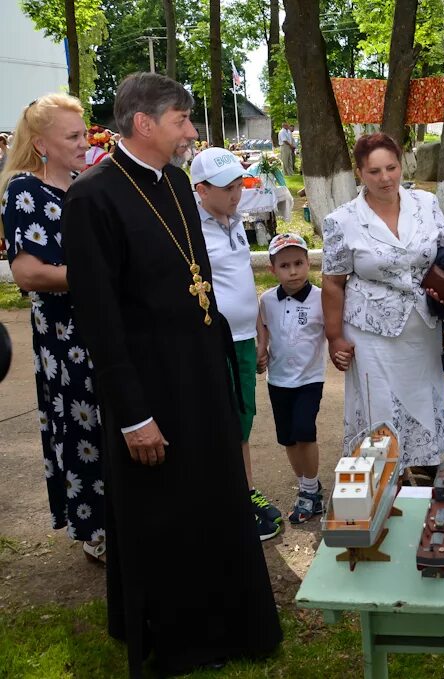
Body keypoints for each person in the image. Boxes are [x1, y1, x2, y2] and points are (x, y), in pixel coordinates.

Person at [60, 72, 281, 676]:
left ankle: (232, 622)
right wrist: (133, 415)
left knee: (213, 500)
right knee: (165, 515)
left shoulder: (179, 184)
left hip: (199, 377)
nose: (191, 133)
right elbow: (100, 320)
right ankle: (180, 636)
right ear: (144, 124)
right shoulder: (93, 197)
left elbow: (196, 278)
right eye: (182, 121)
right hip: (149, 388)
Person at [0, 94, 107, 561]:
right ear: (42, 144)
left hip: (101, 327)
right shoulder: (24, 192)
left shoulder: (84, 186)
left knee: (112, 423)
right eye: (74, 136)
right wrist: (102, 278)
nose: (85, 143)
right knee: (82, 427)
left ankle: (119, 518)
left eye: (84, 134)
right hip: (66, 336)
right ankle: (95, 530)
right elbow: (27, 274)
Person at [321, 133, 444, 474]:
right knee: (378, 404)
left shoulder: (426, 204)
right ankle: (379, 480)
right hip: (370, 334)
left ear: (402, 163)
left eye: (391, 168)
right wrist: (335, 337)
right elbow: (332, 283)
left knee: (423, 400)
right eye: (374, 171)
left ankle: (424, 474)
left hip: (422, 329)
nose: (385, 178)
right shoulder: (343, 221)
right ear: (359, 173)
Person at [191, 146, 283, 539]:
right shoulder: (190, 232)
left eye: (239, 186)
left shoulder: (233, 221)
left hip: (246, 340)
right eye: (227, 188)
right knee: (221, 421)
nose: (236, 194)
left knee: (242, 420)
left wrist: (261, 332)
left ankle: (243, 491)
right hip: (216, 343)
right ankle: (226, 499)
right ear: (201, 189)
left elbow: (244, 281)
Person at [257, 233, 326, 523]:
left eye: (299, 263)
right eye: (285, 266)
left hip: (310, 379)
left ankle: (311, 494)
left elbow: (334, 331)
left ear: (308, 263)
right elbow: (263, 326)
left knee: (303, 430)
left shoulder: (322, 299)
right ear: (272, 270)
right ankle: (305, 484)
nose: (293, 271)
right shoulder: (267, 300)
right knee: (287, 438)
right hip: (279, 381)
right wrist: (262, 349)